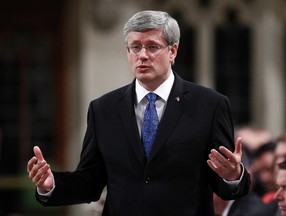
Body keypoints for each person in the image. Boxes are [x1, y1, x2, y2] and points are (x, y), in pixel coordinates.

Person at [27, 10, 250, 215]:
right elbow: (90, 182)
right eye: (135, 47)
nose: (142, 55)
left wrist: (233, 176)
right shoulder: (103, 109)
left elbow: (225, 187)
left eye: (152, 47)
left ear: (172, 51)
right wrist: (51, 184)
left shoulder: (210, 105)